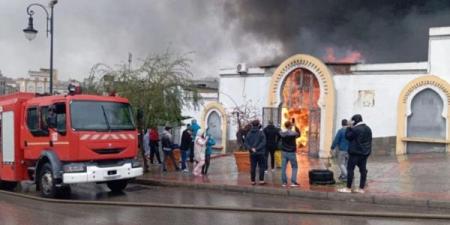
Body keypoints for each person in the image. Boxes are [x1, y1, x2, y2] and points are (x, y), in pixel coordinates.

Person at [338, 114, 372, 194]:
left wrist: (349, 127)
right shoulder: (368, 128)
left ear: (354, 121)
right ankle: (361, 188)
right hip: (364, 153)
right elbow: (369, 141)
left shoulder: (355, 129)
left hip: (355, 153)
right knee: (363, 170)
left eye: (352, 121)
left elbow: (347, 136)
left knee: (350, 170)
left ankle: (348, 188)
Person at [244, 120, 266, 185]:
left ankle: (253, 181)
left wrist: (251, 148)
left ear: (252, 125)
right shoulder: (261, 133)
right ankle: (261, 180)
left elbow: (246, 142)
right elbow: (263, 142)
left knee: (253, 166)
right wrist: (257, 148)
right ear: (258, 125)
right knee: (261, 166)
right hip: (260, 152)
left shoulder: (249, 133)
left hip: (252, 153)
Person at [279, 120, 300, 187]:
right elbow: (299, 134)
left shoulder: (282, 133)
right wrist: (295, 126)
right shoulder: (293, 133)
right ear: (290, 126)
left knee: (283, 168)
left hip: (284, 152)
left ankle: (284, 183)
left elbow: (279, 132)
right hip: (291, 153)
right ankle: (293, 182)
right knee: (294, 167)